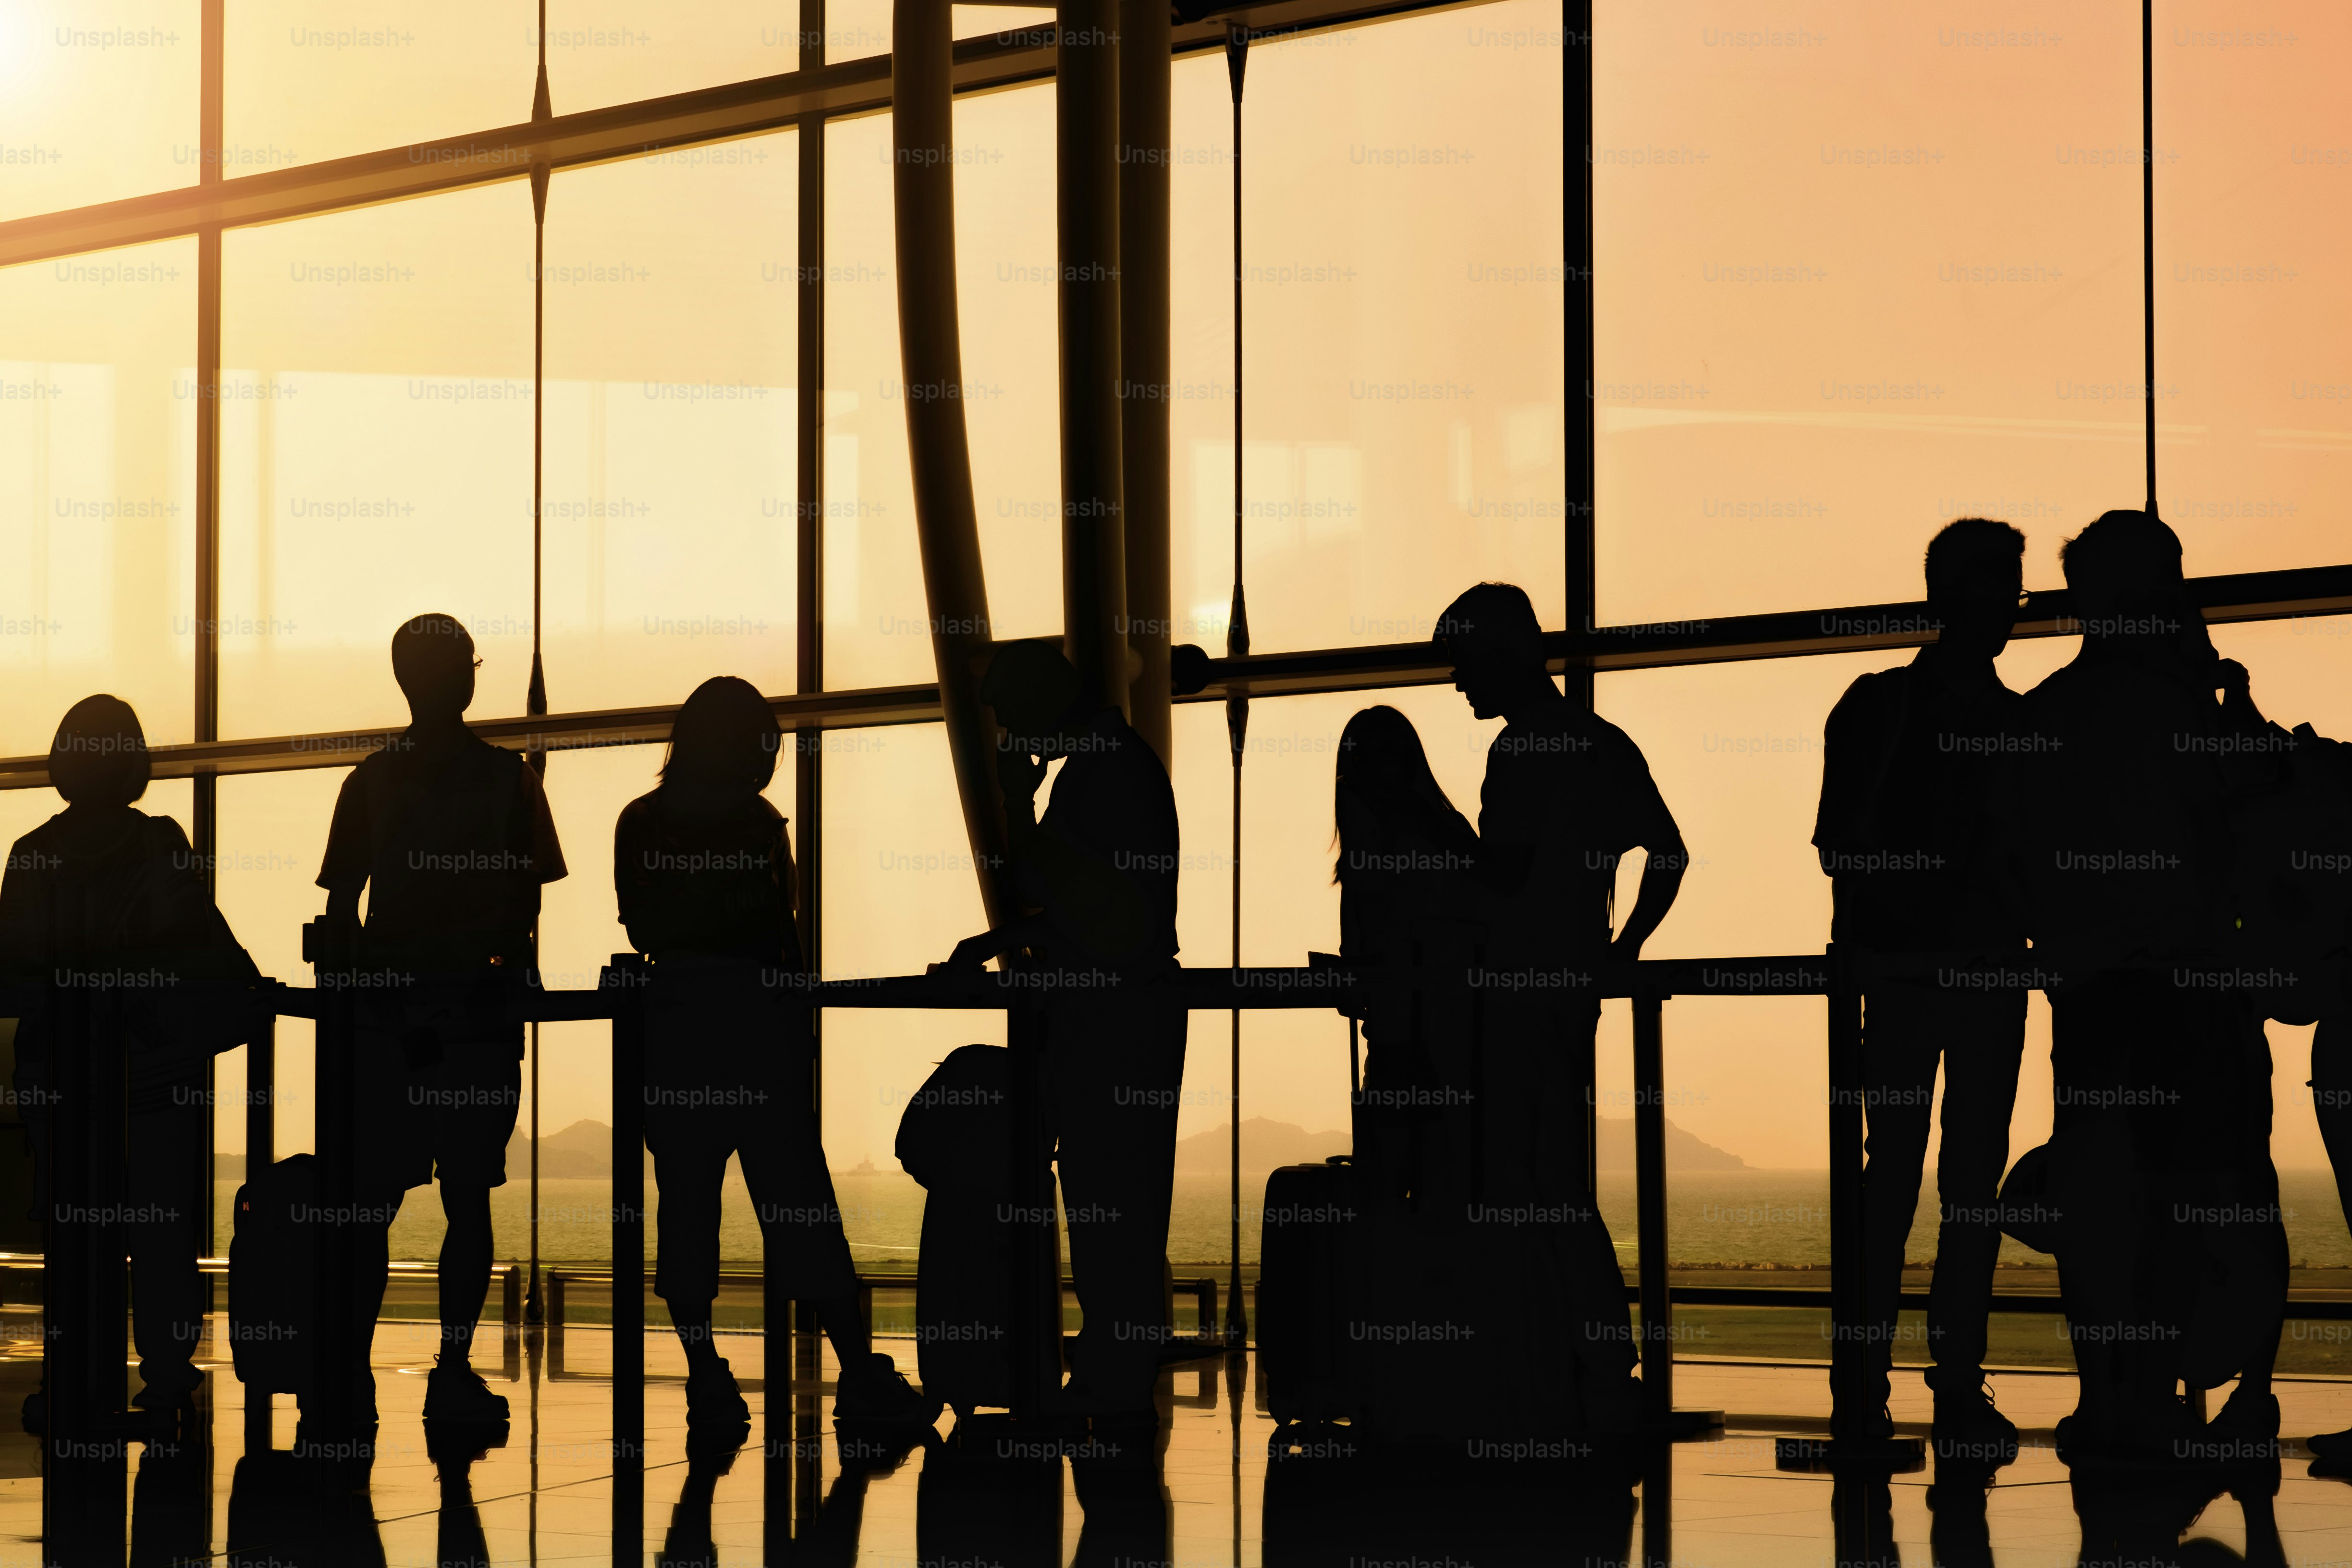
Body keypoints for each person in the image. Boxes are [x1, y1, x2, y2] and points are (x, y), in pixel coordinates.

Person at [1995, 510, 2290, 1463]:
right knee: (2193, 1185)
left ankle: (2108, 1396)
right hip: (2189, 985)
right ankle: (2172, 1391)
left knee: (2096, 1198)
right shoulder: (2183, 711)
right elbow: (2250, 811)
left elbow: (2018, 861)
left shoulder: (2045, 716)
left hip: (2087, 988)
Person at [614, 674, 935, 1429]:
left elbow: (645, 929)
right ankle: (857, 1372)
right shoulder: (760, 825)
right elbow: (779, 933)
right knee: (801, 1206)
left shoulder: (645, 822)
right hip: (760, 1035)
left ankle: (706, 1375)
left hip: (680, 1035)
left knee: (687, 1210)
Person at [1435, 581, 1688, 1429]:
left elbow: (1500, 875)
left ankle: (1557, 1366)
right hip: (1573, 988)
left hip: (1511, 993)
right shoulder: (1601, 743)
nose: (1460, 684)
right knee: (1557, 1184)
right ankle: (1596, 1366)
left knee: (1520, 1186)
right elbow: (1669, 853)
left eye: (1466, 666)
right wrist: (1624, 949)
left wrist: (1434, 848)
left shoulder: (1521, 753)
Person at [1812, 517, 2032, 1456]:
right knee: (1937, 1182)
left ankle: (1889, 1381)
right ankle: (1929, 1382)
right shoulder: (1986, 722)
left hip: (1920, 974)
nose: (2013, 610)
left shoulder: (1887, 708)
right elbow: (1841, 845)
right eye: (2004, 589)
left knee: (1910, 1181)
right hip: (1953, 974)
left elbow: (1840, 846)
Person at [316, 613, 565, 1424]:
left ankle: (350, 1361)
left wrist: (370, 991)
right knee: (469, 1199)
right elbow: (524, 904)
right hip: (473, 1025)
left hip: (389, 1026)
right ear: (464, 677)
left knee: (372, 1205)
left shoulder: (370, 781)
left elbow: (341, 906)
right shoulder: (506, 782)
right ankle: (451, 1365)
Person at [937, 639, 1187, 1422]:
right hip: (1115, 1015)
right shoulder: (1109, 769)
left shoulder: (1104, 775)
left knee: (1110, 1197)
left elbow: (1070, 903)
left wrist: (1017, 809)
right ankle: (1117, 1372)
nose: (1011, 732)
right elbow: (1084, 908)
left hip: (1110, 1020)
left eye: (1012, 715)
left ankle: (1115, 1375)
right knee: (1114, 1199)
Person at [0, 696, 264, 1426]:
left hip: (62, 1079)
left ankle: (73, 1376)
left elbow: (15, 969)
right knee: (161, 1235)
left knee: (74, 1236)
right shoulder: (158, 847)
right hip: (154, 1075)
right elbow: (198, 950)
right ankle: (168, 1380)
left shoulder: (32, 855)